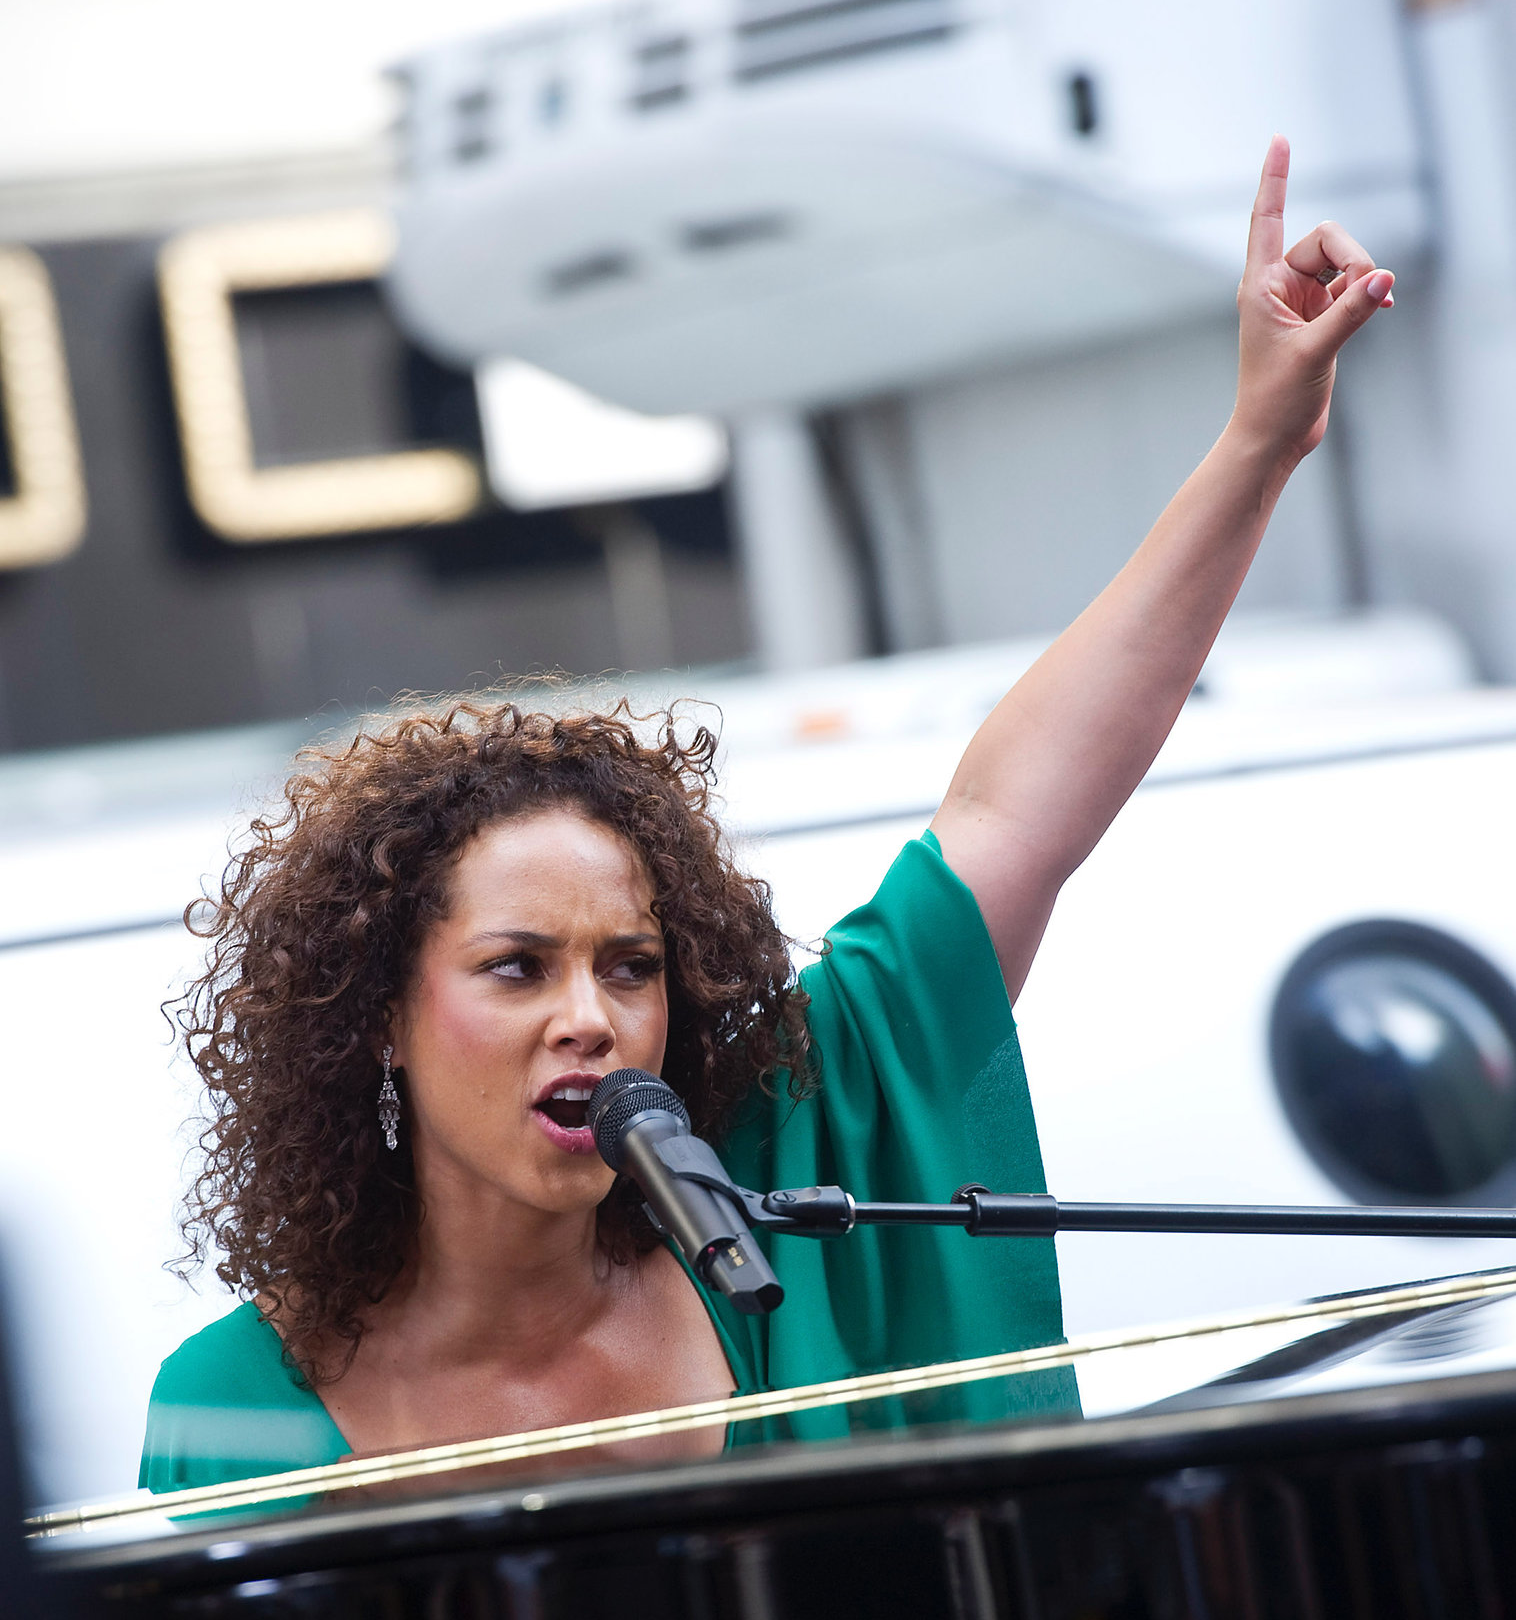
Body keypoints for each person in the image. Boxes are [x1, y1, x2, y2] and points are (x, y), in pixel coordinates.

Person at [140, 140, 1395, 1494]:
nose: (593, 1016)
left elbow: (1012, 809)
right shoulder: (231, 1405)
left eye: (631, 966)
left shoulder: (794, 1163)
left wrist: (1260, 442)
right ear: (375, 1014)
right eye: (519, 967)